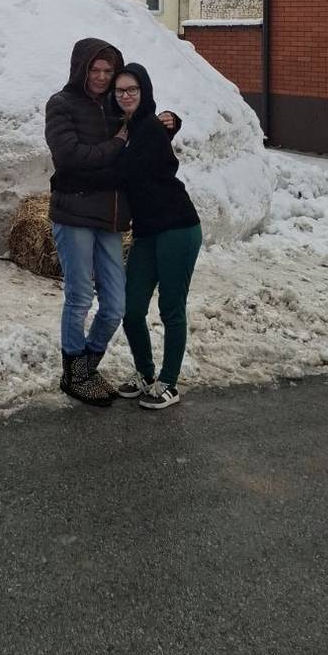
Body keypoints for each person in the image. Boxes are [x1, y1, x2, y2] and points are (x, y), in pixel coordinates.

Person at [110, 63, 202, 410]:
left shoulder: (146, 127)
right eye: (120, 91)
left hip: (178, 226)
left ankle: (168, 382)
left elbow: (127, 168)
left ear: (144, 90)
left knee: (171, 308)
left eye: (132, 89)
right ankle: (145, 373)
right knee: (131, 309)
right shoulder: (131, 127)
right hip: (147, 230)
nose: (126, 95)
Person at [45, 39, 130, 407]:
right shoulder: (61, 104)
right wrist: (115, 144)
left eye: (107, 71)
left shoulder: (116, 104)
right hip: (75, 212)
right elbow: (69, 156)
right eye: (94, 70)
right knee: (80, 297)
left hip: (109, 217)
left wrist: (169, 124)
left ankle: (87, 365)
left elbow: (142, 127)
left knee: (115, 305)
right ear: (80, 68)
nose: (100, 77)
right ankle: (74, 373)